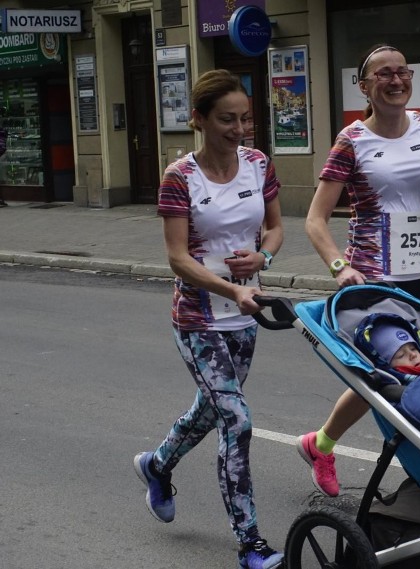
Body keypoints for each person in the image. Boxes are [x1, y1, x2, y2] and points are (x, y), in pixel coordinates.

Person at [132, 69, 285, 569]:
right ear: (198, 119)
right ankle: (250, 545)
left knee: (212, 410)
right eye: (226, 119)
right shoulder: (180, 177)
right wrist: (231, 288)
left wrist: (262, 259)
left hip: (243, 318)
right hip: (198, 318)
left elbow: (277, 229)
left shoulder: (258, 164)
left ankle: (156, 466)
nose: (238, 129)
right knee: (236, 421)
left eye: (244, 119)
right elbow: (177, 258)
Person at [299, 44, 420, 498]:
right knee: (402, 375)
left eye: (402, 73)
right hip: (371, 276)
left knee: (391, 376)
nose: (395, 80)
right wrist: (340, 267)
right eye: (383, 74)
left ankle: (321, 444)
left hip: (416, 272)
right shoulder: (352, 141)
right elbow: (315, 219)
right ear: (365, 86)